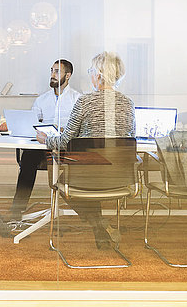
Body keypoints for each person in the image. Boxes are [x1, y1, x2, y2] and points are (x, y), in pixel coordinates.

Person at [36, 51, 135, 249]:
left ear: (98, 75)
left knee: (64, 180)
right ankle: (101, 229)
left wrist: (47, 140)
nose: (90, 75)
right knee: (89, 168)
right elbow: (127, 139)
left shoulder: (85, 101)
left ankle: (99, 225)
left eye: (91, 71)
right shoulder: (128, 103)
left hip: (87, 177)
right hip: (119, 178)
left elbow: (64, 142)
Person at [9, 59, 81, 220]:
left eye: (57, 71)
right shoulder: (42, 100)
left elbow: (80, 128)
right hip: (45, 147)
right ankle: (17, 209)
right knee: (28, 157)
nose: (52, 75)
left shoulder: (77, 99)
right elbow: (33, 124)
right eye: (51, 71)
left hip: (67, 148)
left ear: (67, 76)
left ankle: (86, 211)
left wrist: (63, 130)